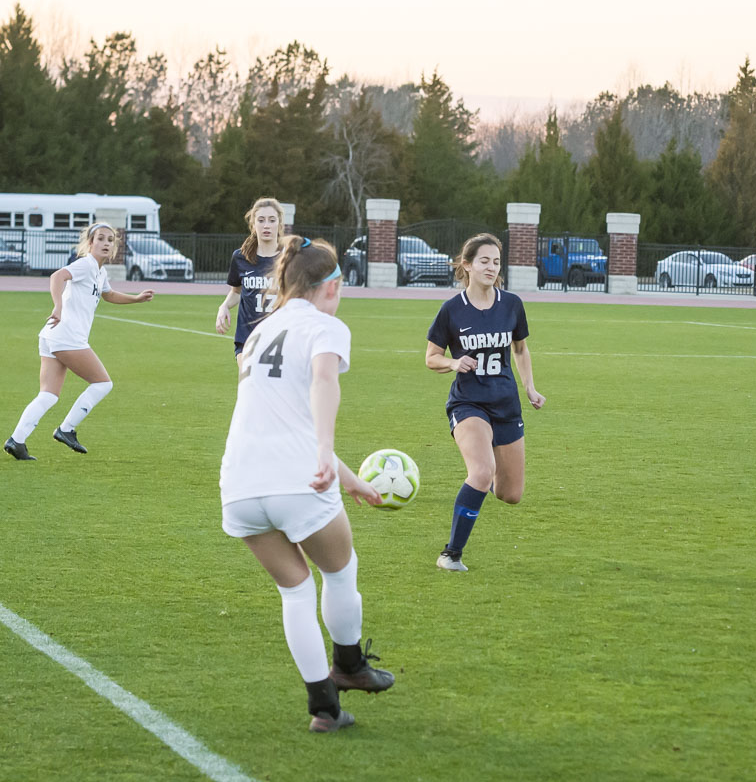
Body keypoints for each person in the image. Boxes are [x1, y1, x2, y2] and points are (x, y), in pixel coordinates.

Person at [219, 235, 394, 733]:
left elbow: (281, 418)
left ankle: (325, 708)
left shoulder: (258, 331)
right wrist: (323, 452)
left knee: (295, 593)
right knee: (339, 572)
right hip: (298, 479)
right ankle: (350, 667)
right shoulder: (326, 326)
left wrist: (349, 476)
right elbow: (322, 383)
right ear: (332, 286)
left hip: (240, 484)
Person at [425, 233, 546, 572]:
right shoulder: (451, 310)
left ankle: (487, 479)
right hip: (468, 404)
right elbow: (431, 357)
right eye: (484, 261)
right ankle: (451, 554)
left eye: (496, 262)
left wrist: (530, 389)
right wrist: (452, 363)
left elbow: (520, 349)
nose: (491, 267)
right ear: (467, 265)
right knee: (480, 471)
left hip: (506, 404)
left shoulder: (511, 304)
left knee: (510, 494)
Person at [4, 223, 153, 460]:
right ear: (90, 243)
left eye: (110, 240)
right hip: (67, 336)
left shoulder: (100, 272)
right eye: (101, 238)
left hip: (52, 335)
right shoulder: (85, 264)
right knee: (103, 383)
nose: (106, 243)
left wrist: (136, 299)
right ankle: (66, 429)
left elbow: (109, 294)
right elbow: (57, 276)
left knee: (49, 395)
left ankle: (17, 441)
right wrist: (58, 305)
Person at [216, 197, 283, 368]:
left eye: (271, 220)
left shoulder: (289, 259)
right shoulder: (241, 258)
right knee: (251, 390)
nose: (266, 225)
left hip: (281, 339)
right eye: (261, 220)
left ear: (279, 224)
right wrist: (223, 306)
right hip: (248, 338)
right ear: (253, 224)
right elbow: (236, 292)